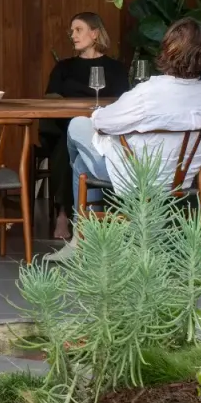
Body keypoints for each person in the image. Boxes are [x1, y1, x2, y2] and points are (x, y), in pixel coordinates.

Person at [47, 17, 201, 257]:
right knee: (81, 163)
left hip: (136, 176)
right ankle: (86, 237)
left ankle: (83, 239)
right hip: (178, 177)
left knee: (77, 126)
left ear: (169, 49)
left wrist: (99, 117)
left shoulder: (150, 91)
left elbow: (104, 122)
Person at [39, 13, 131, 239]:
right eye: (71, 31)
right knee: (64, 145)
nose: (73, 35)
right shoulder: (64, 67)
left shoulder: (115, 68)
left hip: (107, 130)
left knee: (82, 149)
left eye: (78, 30)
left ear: (95, 33)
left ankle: (91, 217)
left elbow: (124, 100)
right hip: (67, 126)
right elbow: (50, 98)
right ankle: (63, 213)